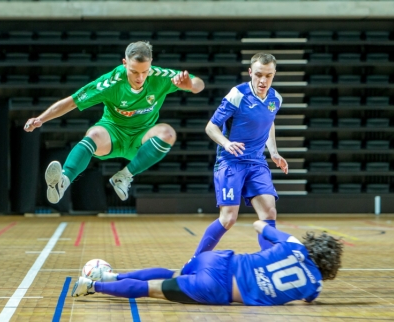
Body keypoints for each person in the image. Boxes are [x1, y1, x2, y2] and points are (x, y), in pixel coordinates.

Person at [24, 41, 205, 204]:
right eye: (134, 71)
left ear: (151, 65)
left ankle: (124, 176)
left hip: (141, 138)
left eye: (144, 71)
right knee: (93, 134)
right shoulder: (110, 83)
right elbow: (72, 101)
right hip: (112, 134)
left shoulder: (161, 76)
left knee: (168, 133)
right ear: (124, 63)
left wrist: (189, 85)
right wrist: (40, 119)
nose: (140, 78)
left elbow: (199, 84)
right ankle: (63, 181)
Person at [71, 220, 343, 306]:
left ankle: (113, 276)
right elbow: (309, 299)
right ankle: (92, 286)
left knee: (174, 273)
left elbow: (261, 224)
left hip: (218, 259)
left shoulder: (295, 243)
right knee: (153, 290)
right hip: (216, 287)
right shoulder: (315, 285)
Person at [189, 53, 288, 261]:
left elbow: (269, 122)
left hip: (257, 162)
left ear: (274, 74)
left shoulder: (275, 99)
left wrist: (274, 152)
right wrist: (226, 143)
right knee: (228, 218)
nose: (263, 80)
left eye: (268, 76)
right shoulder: (238, 94)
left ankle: (267, 263)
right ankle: (195, 261)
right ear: (250, 72)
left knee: (269, 212)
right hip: (231, 161)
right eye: (259, 74)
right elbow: (211, 126)